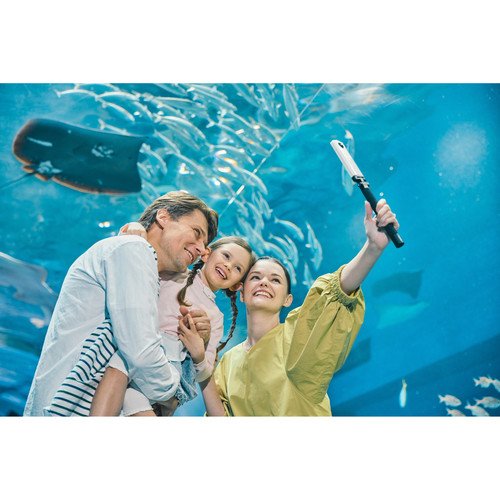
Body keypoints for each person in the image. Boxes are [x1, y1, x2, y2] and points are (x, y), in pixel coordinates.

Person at [23, 191, 218, 416]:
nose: (201, 249)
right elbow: (141, 353)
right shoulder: (133, 248)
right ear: (163, 217)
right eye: (196, 232)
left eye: (205, 244)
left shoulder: (138, 260)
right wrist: (172, 393)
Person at [201, 199, 399, 416]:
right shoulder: (227, 363)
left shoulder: (298, 333)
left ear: (287, 300)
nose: (264, 282)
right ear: (242, 293)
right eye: (255, 277)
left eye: (275, 280)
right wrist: (201, 360)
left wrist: (372, 248)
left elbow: (336, 292)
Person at [89, 236, 256, 416]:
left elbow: (204, 370)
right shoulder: (172, 274)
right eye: (226, 256)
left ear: (236, 286)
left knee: (121, 360)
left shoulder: (215, 317)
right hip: (143, 359)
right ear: (206, 254)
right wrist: (136, 233)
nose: (229, 266)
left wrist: (199, 349)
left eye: (238, 268)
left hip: (168, 369)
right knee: (131, 399)